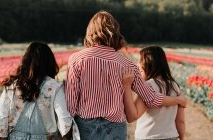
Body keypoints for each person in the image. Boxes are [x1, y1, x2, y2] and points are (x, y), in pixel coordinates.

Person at [65, 11, 186, 140]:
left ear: (90, 32)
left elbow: (71, 103)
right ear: (115, 32)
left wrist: (67, 128)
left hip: (85, 127)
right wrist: (178, 100)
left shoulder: (76, 59)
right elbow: (151, 99)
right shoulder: (127, 64)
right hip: (115, 128)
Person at [0, 42, 80, 140]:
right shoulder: (54, 87)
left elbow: (0, 122)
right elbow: (65, 123)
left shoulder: (12, 87)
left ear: (25, 62)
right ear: (49, 62)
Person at [123, 46, 186, 140]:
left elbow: (132, 116)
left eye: (140, 61)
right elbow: (180, 121)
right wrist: (182, 138)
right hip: (171, 137)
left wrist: (126, 86)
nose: (137, 65)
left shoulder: (148, 86)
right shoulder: (174, 86)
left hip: (149, 137)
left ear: (149, 63)